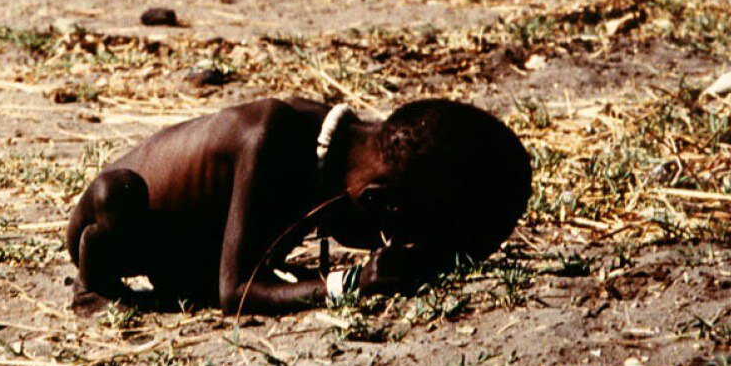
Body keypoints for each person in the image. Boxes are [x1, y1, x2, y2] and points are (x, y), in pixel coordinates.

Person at [66, 97, 532, 315]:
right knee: (117, 194)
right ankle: (94, 282)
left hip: (187, 246)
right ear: (378, 202)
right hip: (120, 219)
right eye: (388, 233)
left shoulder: (329, 155)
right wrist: (351, 283)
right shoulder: (271, 140)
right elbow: (238, 291)